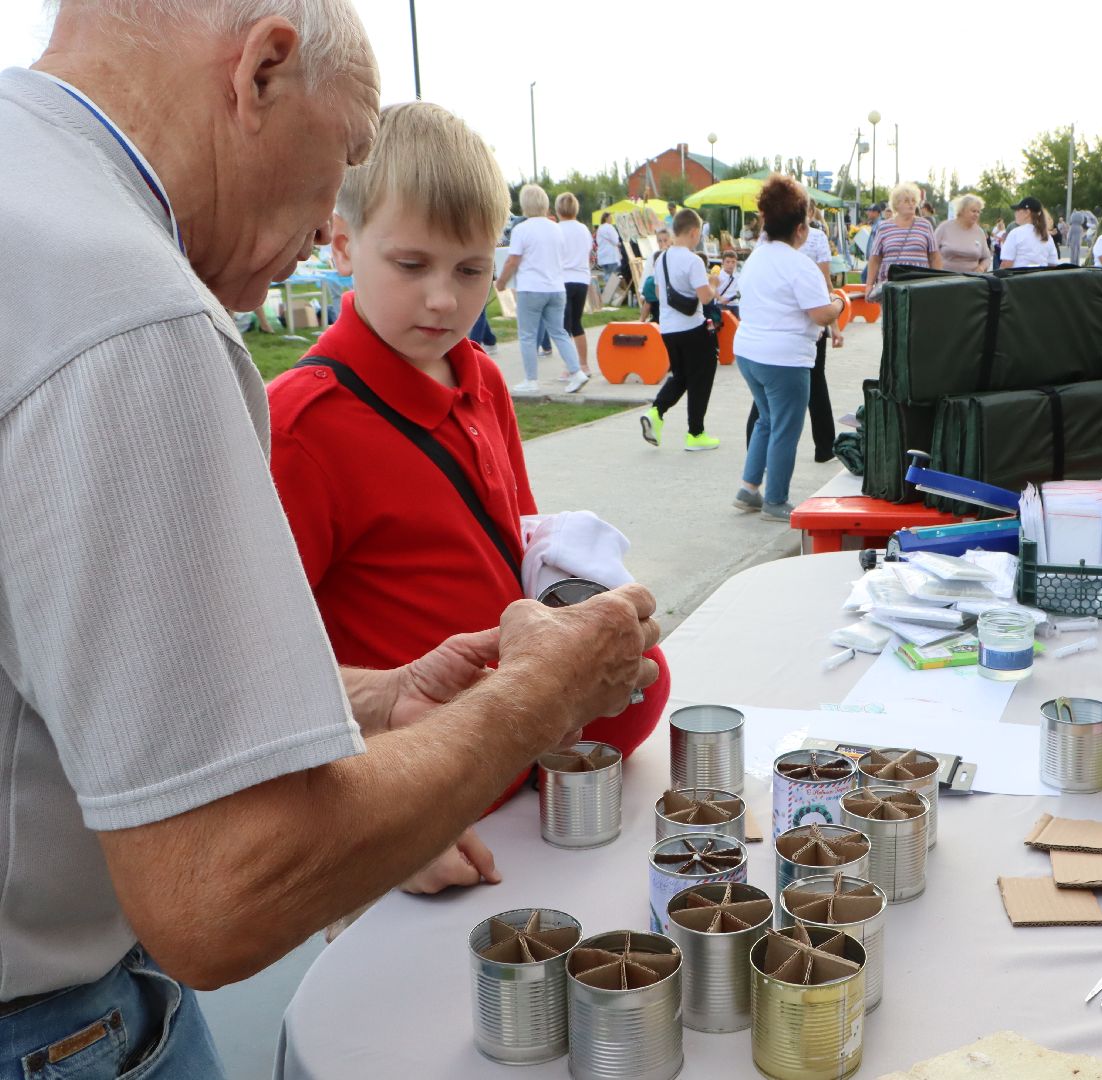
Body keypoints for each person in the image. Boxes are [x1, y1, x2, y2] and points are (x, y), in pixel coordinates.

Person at [0, 0, 658, 1069]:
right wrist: (538, 695)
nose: (322, 231)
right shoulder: (127, 310)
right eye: (346, 155)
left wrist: (364, 700)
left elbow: (89, 689)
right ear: (263, 66)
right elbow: (222, 893)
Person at [267, 102, 671, 895]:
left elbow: (515, 550)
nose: (445, 302)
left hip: (520, 781)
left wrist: (580, 614)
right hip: (413, 809)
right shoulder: (301, 426)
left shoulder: (482, 378)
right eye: (411, 266)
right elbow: (263, 674)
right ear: (344, 246)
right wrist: (372, 837)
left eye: (471, 271)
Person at [731, 176, 847, 519]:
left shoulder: (757, 257)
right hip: (785, 359)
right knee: (785, 427)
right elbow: (821, 313)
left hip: (748, 353)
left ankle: (748, 487)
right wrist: (840, 304)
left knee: (767, 420)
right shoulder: (800, 266)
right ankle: (775, 500)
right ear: (800, 228)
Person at [745, 214, 843, 462]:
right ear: (800, 227)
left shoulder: (762, 247)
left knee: (765, 403)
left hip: (760, 335)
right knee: (794, 412)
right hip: (795, 336)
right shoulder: (808, 249)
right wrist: (838, 310)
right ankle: (823, 448)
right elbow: (825, 288)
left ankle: (754, 468)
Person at [640, 209, 720, 451]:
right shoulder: (693, 260)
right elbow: (705, 299)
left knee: (681, 376)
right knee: (702, 375)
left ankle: (656, 412)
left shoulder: (661, 258)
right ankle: (695, 433)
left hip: (668, 329)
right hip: (692, 327)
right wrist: (714, 284)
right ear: (694, 232)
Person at [496, 185, 586, 394]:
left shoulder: (522, 229)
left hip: (531, 288)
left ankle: (531, 379)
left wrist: (501, 282)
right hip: (556, 287)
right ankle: (577, 371)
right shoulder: (556, 228)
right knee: (560, 332)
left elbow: (513, 260)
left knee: (527, 335)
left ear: (525, 204)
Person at [866, 181, 942, 297]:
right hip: (890, 286)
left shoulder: (925, 225)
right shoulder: (884, 227)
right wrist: (869, 285)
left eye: (913, 201)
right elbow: (875, 258)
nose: (911, 204)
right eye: (906, 201)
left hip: (919, 285)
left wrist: (937, 284)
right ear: (896, 205)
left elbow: (934, 257)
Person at [556, 191, 595, 382]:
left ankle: (570, 367)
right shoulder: (583, 229)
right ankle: (584, 364)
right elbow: (588, 251)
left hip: (563, 279)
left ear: (558, 209)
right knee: (577, 323)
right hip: (582, 278)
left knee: (564, 327)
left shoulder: (557, 229)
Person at [936, 193, 992, 273]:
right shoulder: (944, 227)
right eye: (973, 211)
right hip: (944, 278)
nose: (976, 214)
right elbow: (931, 251)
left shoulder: (980, 232)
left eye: (978, 212)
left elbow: (987, 258)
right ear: (962, 210)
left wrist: (981, 268)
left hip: (971, 280)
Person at [999, 196, 1059, 268]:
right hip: (1041, 278)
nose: (1015, 214)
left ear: (1027, 212)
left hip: (1019, 278)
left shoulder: (1015, 234)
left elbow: (1006, 264)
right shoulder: (1047, 237)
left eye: (1018, 210)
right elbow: (1053, 265)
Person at [639, 227, 672, 323]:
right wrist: (642, 292)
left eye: (665, 240)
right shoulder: (654, 256)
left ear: (671, 240)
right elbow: (647, 274)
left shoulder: (673, 254)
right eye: (660, 241)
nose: (662, 243)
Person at [596, 213, 625, 299]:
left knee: (607, 274)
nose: (611, 219)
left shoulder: (600, 228)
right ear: (606, 218)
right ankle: (609, 294)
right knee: (612, 276)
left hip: (603, 255)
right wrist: (620, 244)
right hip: (611, 255)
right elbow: (615, 240)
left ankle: (606, 294)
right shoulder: (609, 227)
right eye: (610, 217)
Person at [714, 248, 742, 315]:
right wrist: (720, 298)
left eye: (733, 262)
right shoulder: (718, 275)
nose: (730, 264)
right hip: (721, 304)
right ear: (722, 262)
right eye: (728, 262)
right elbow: (712, 289)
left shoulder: (738, 275)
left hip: (735, 304)